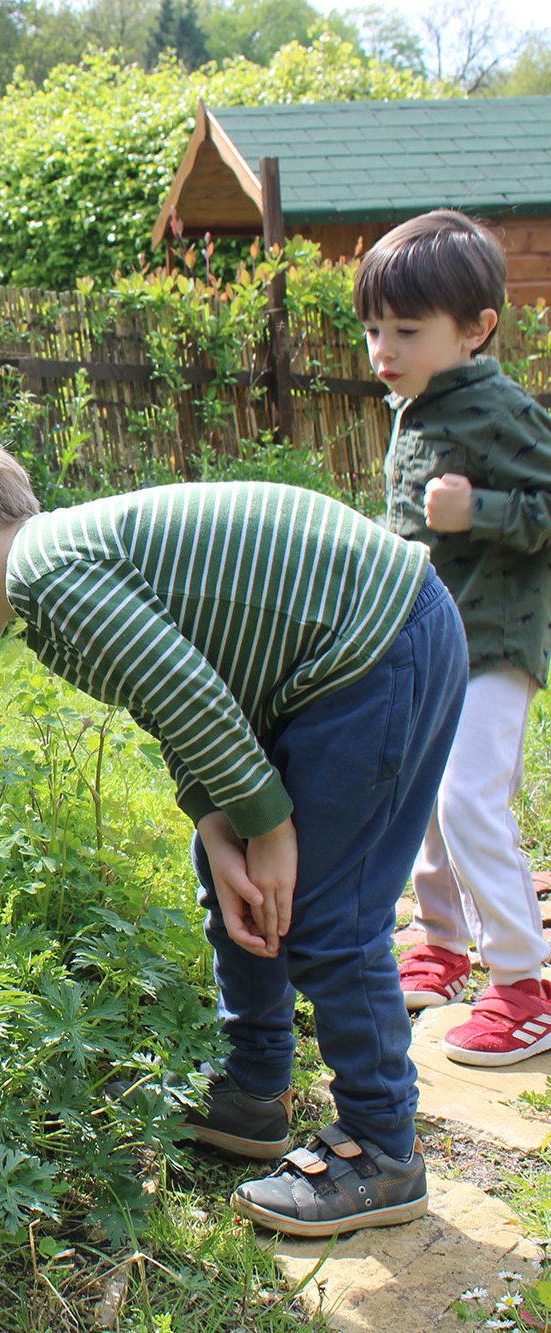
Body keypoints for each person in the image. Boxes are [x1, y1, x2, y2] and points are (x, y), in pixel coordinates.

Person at [0, 444, 468, 1239]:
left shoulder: (48, 573)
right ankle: (255, 1082)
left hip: (373, 649)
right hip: (333, 665)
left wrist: (269, 827)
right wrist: (223, 822)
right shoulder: (51, 585)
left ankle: (382, 1146)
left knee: (328, 910)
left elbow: (189, 694)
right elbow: (174, 704)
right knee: (227, 863)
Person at [358, 210, 551, 1063]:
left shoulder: (501, 411)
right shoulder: (419, 404)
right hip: (429, 645)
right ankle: (440, 943)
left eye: (406, 329)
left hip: (495, 645)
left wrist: (483, 511)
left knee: (468, 799)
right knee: (422, 797)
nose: (383, 350)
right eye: (372, 330)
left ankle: (523, 984)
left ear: (477, 329)